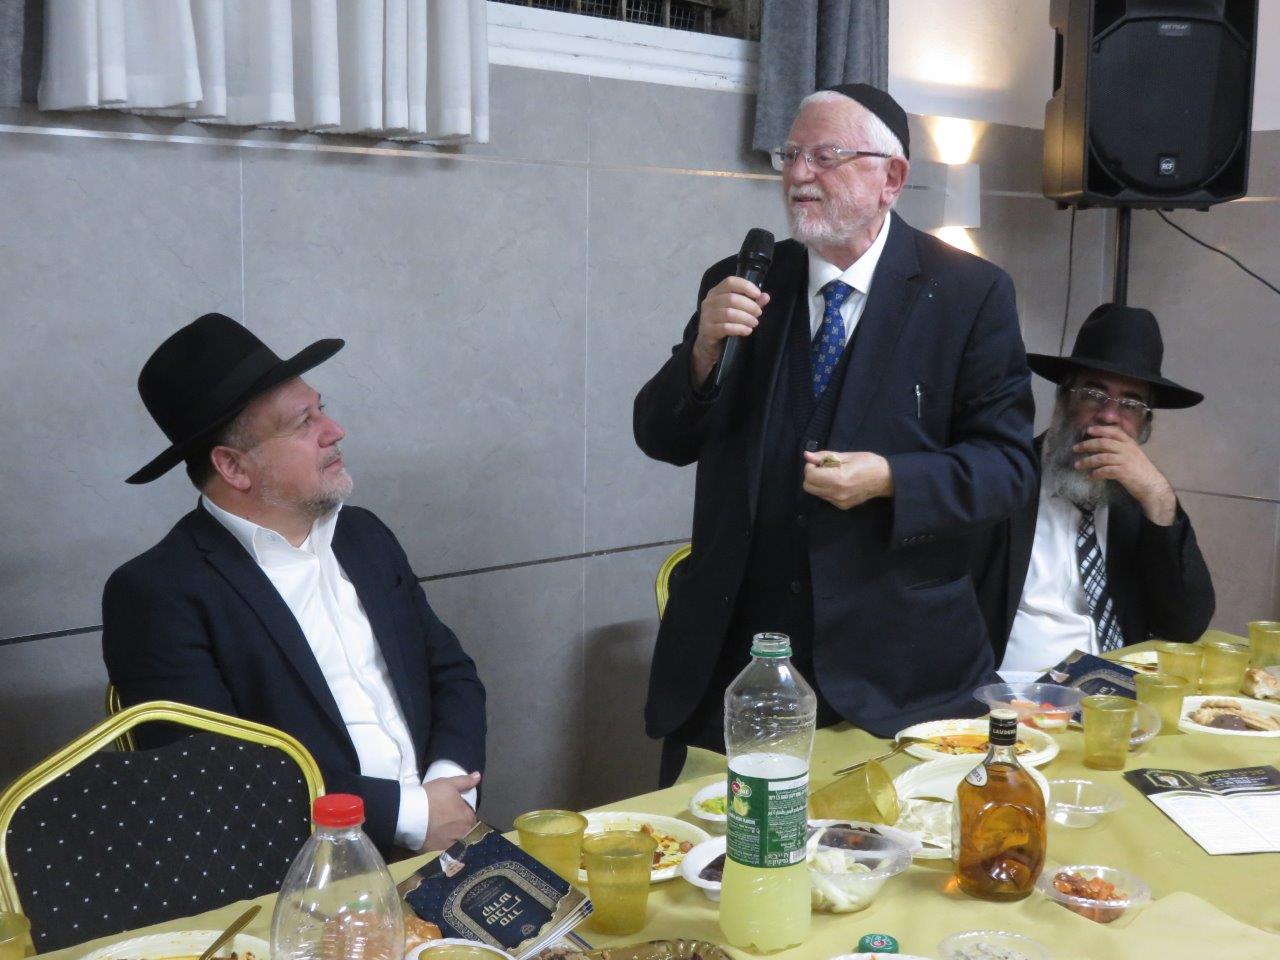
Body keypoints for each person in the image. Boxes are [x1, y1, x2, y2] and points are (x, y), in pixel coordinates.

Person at [634, 84, 1036, 784]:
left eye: (825, 157)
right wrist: (700, 352)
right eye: (790, 155)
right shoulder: (743, 281)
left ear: (891, 178)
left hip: (896, 672)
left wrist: (892, 479)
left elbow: (1007, 468)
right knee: (718, 846)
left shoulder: (968, 294)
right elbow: (661, 437)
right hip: (734, 663)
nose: (798, 175)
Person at [103, 313, 486, 855]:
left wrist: (448, 790)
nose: (334, 430)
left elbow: (451, 674)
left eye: (321, 408)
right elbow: (216, 777)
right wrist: (410, 815)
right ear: (234, 467)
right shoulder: (158, 593)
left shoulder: (364, 536)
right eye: (304, 422)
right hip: (304, 874)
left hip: (450, 832)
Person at [975, 303, 1215, 673]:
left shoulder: (1142, 498)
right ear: (1064, 398)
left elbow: (1184, 626)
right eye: (1093, 393)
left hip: (1119, 691)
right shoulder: (1006, 477)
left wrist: (1158, 498)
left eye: (1131, 403)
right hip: (1017, 690)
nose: (1108, 415)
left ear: (1145, 422)